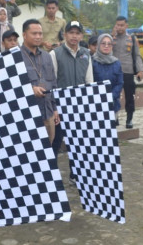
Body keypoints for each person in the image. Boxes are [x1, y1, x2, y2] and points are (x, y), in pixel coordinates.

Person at [49, 20, 93, 184]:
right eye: (71, 32)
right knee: (55, 141)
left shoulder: (86, 54)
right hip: (59, 107)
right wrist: (53, 106)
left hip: (80, 106)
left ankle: (76, 175)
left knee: (78, 143)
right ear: (65, 34)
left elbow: (89, 81)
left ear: (81, 35)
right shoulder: (55, 54)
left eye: (77, 33)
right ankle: (51, 176)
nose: (74, 36)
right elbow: (51, 81)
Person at [20, 19, 60, 145]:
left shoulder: (47, 56)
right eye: (34, 33)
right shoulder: (15, 57)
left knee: (48, 149)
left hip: (47, 113)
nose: (38, 37)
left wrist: (55, 109)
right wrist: (30, 89)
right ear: (24, 35)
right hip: (26, 116)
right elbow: (10, 88)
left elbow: (53, 83)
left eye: (40, 33)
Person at [112, 16, 143, 129]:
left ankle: (129, 118)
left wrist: (140, 70)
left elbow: (137, 55)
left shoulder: (132, 39)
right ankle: (114, 118)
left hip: (128, 72)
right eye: (117, 25)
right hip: (114, 72)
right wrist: (111, 36)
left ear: (126, 26)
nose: (119, 27)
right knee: (113, 95)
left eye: (122, 25)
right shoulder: (111, 39)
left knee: (130, 96)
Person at [92, 34, 124, 118]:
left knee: (111, 129)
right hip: (95, 104)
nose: (106, 46)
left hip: (113, 104)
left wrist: (111, 96)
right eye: (103, 43)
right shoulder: (92, 62)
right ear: (98, 45)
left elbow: (120, 83)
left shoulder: (117, 63)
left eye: (109, 44)